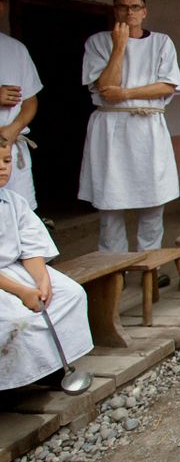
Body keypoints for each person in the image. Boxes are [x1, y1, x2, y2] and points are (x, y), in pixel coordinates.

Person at [79, 0, 180, 254]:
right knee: (110, 201)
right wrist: (120, 46)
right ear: (115, 11)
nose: (129, 12)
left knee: (153, 198)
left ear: (144, 12)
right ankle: (114, 266)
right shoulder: (97, 42)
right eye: (123, 7)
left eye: (135, 7)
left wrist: (126, 93)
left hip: (147, 126)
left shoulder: (161, 42)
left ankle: (149, 262)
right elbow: (105, 86)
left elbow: (167, 86)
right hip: (110, 127)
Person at [0, 137, 94, 390]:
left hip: (16, 269)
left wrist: (42, 281)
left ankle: (53, 366)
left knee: (70, 294)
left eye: (7, 160)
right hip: (3, 282)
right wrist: (23, 292)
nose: (3, 167)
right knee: (17, 319)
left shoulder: (13, 201)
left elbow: (31, 245)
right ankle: (12, 381)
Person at [0, 0, 44, 210]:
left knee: (20, 215)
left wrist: (13, 128)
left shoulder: (15, 49)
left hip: (11, 145)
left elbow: (30, 100)